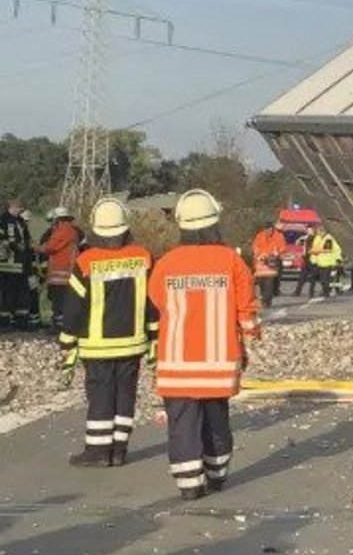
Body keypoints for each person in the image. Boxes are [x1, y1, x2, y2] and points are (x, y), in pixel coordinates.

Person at [149, 189, 259, 499]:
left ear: (182, 224)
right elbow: (246, 308)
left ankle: (188, 485)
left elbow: (156, 299)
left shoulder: (167, 263)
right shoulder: (231, 261)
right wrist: (248, 339)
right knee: (216, 420)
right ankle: (217, 474)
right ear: (214, 223)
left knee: (181, 423)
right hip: (219, 360)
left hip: (176, 361)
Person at [59, 198, 156, 467]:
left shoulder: (87, 261)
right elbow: (153, 302)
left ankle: (98, 451)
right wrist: (154, 338)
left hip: (97, 346)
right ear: (125, 227)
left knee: (101, 395)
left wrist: (67, 340)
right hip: (133, 344)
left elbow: (74, 307)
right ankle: (119, 449)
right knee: (125, 395)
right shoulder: (143, 256)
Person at [35, 207, 85, 327]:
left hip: (61, 272)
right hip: (66, 271)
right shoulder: (71, 230)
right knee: (63, 299)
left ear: (58, 219)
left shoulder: (63, 230)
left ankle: (60, 325)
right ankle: (63, 323)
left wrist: (35, 248)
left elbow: (51, 247)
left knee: (59, 300)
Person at [0, 198, 36, 329]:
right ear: (11, 207)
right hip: (7, 265)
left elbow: (26, 238)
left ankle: (21, 321)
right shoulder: (3, 220)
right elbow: (3, 239)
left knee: (21, 293)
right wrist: (13, 246)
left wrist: (26, 248)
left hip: (21, 263)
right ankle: (5, 322)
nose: (20, 210)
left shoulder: (20, 221)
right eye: (18, 208)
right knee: (7, 294)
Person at [250, 220, 288, 307]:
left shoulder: (279, 236)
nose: (268, 231)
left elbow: (282, 248)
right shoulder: (260, 235)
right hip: (261, 263)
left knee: (269, 282)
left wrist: (277, 253)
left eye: (270, 229)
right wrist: (258, 254)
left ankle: (267, 300)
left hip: (272, 263)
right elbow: (255, 246)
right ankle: (264, 298)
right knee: (261, 282)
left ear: (272, 228)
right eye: (267, 229)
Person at [308, 228, 343, 298]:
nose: (318, 233)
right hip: (321, 262)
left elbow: (327, 249)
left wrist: (316, 251)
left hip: (327, 262)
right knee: (322, 279)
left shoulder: (328, 239)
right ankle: (325, 292)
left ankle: (326, 293)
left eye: (318, 232)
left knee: (325, 279)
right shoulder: (320, 238)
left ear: (323, 232)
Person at [292, 225, 318, 297]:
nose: (309, 232)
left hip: (312, 258)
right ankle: (297, 291)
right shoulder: (305, 238)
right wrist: (300, 240)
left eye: (311, 230)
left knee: (312, 277)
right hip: (305, 257)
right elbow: (297, 243)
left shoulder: (316, 238)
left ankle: (311, 292)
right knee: (302, 276)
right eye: (308, 230)